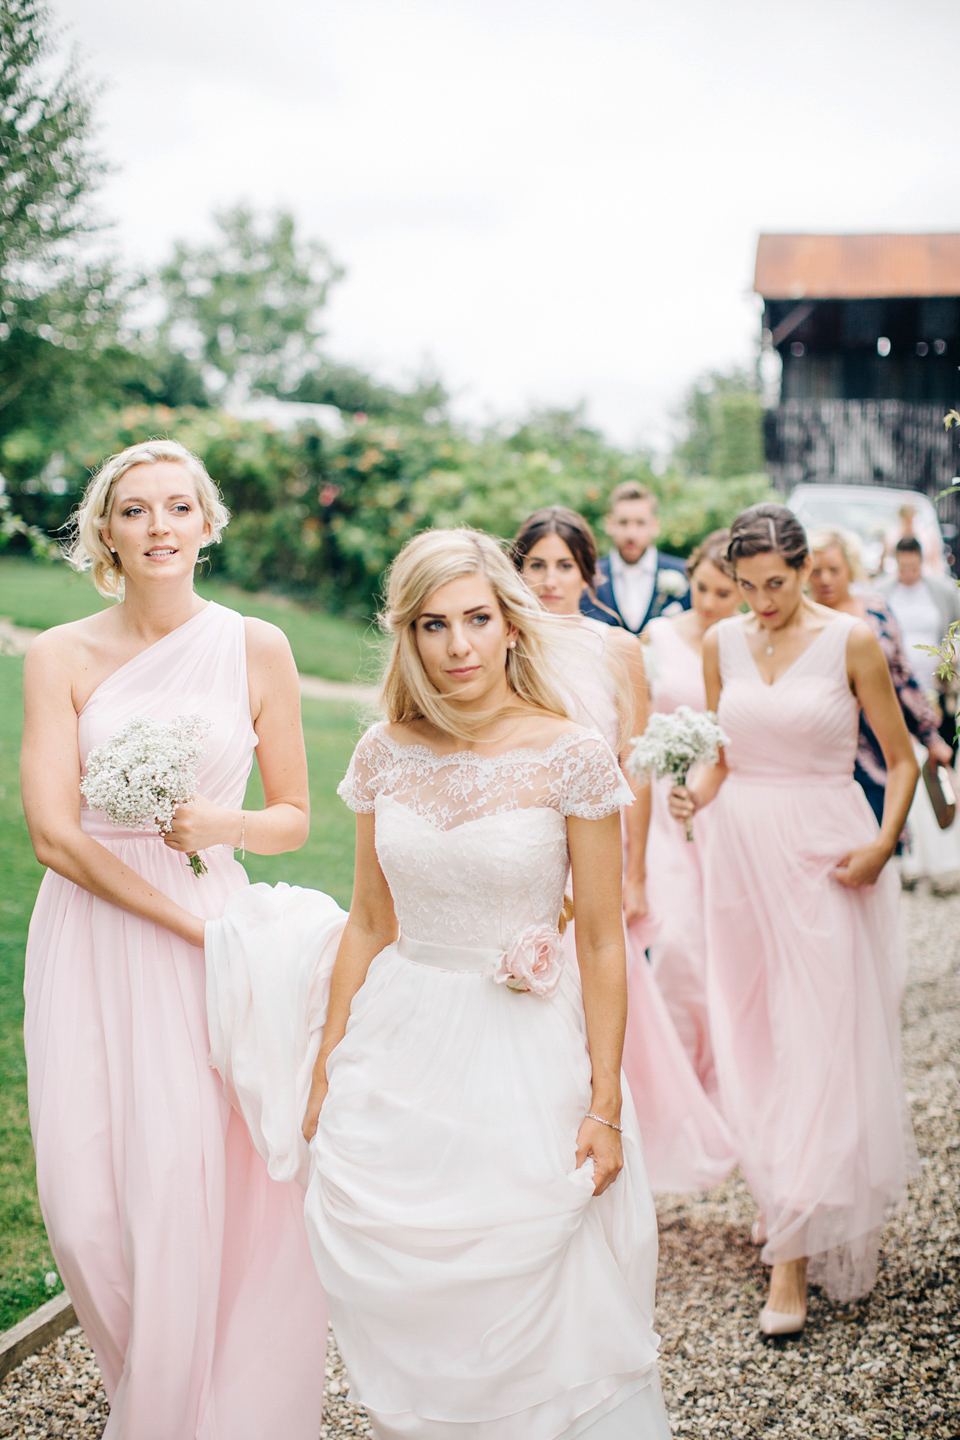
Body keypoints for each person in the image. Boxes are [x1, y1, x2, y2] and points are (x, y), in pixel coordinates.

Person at [302, 528, 672, 1439]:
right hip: (402, 1044)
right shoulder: (386, 749)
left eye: (476, 619)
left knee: (537, 1302)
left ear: (512, 624)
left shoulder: (571, 751)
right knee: (416, 1301)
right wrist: (327, 1058)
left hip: (523, 1057)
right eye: (433, 624)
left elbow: (597, 939)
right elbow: (370, 919)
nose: (458, 645)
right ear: (409, 636)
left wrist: (604, 1099)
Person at [20, 441, 327, 1439]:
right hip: (98, 933)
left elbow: (291, 815)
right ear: (105, 531)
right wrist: (183, 921)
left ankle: (205, 1407)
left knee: (192, 1182)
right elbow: (54, 836)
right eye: (136, 510)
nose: (159, 526)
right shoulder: (59, 654)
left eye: (178, 507)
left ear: (207, 523)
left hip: (213, 927)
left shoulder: (257, 646)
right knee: (82, 1206)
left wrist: (219, 828)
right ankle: (149, 1383)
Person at [669, 503, 918, 1335]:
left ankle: (793, 1261)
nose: (762, 602)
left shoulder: (850, 640)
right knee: (753, 1036)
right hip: (737, 856)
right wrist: (688, 794)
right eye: (746, 587)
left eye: (776, 584)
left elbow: (903, 756)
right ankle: (783, 1186)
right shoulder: (720, 645)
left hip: (824, 854)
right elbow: (719, 759)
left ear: (806, 569)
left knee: (814, 1034)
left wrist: (884, 845)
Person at [513, 507, 733, 1193]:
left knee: (597, 999)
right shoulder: (501, 639)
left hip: (595, 850)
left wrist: (633, 873)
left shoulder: (617, 648)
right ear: (517, 571)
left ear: (589, 573)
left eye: (564, 566)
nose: (550, 581)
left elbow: (633, 767)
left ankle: (607, 1132)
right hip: (518, 845)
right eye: (536, 565)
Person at [641, 531, 740, 1094]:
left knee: (719, 938)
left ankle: (724, 1065)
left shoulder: (744, 646)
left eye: (723, 593)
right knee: (675, 936)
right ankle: (674, 1074)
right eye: (701, 587)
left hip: (724, 802)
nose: (707, 602)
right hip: (664, 802)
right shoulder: (657, 636)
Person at [808, 528, 952, 825]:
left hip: (878, 742)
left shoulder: (875, 611)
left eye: (833, 569)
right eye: (815, 571)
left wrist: (930, 736)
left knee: (879, 825)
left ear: (850, 567)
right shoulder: (800, 618)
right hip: (821, 748)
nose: (824, 579)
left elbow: (901, 677)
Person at [581, 482, 690, 634]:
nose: (631, 534)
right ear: (609, 524)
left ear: (655, 526)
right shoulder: (587, 577)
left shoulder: (686, 573)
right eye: (623, 522)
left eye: (640, 523)